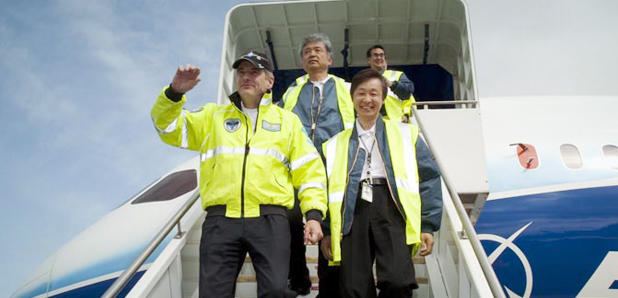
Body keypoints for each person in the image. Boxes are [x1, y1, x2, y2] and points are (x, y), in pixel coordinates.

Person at [150, 50, 326, 298]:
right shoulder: (212, 116)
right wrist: (174, 93)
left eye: (255, 72)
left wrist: (314, 215)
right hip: (221, 220)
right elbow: (168, 129)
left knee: (277, 291)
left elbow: (310, 171)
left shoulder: (288, 122)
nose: (246, 77)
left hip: (270, 219)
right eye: (241, 72)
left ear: (269, 82)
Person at [320, 69, 443, 298]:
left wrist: (428, 225)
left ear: (383, 98)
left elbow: (429, 178)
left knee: (398, 281)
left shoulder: (408, 135)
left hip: (392, 208)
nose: (368, 100)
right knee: (353, 288)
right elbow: (325, 190)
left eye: (374, 94)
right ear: (352, 98)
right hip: (352, 210)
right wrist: (327, 231)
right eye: (361, 93)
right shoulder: (333, 144)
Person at [278, 33, 355, 296]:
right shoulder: (291, 91)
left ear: (329, 58)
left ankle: (328, 286)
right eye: (307, 51)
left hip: (335, 164)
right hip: (297, 165)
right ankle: (298, 275)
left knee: (332, 224)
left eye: (318, 50)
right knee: (288, 217)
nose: (312, 54)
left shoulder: (346, 88)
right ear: (302, 61)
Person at [366, 45, 416, 123]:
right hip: (372, 122)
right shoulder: (363, 79)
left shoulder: (397, 75)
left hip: (396, 120)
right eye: (375, 55)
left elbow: (408, 93)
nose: (379, 57)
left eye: (381, 55)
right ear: (369, 60)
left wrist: (392, 84)